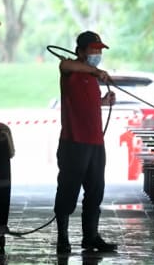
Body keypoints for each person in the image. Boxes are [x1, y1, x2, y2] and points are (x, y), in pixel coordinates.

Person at [53, 31, 118, 254]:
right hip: (74, 143)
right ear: (81, 51)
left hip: (95, 143)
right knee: (68, 191)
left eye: (99, 51)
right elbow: (66, 65)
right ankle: (63, 237)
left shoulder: (91, 76)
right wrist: (96, 70)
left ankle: (90, 237)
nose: (97, 54)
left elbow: (86, 103)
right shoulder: (70, 69)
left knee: (95, 191)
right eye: (93, 50)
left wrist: (103, 101)